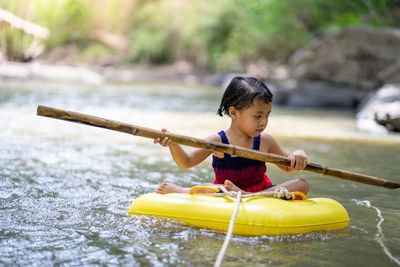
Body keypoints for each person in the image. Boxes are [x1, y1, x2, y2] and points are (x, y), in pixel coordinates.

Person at [154, 76, 309, 198]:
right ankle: (183, 191)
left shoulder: (266, 140)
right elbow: (186, 162)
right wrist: (173, 144)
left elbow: (289, 166)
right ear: (234, 113)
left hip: (262, 192)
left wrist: (298, 155)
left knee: (301, 185)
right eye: (258, 116)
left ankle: (247, 196)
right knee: (215, 188)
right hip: (226, 193)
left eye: (267, 115)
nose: (264, 122)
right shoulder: (217, 141)